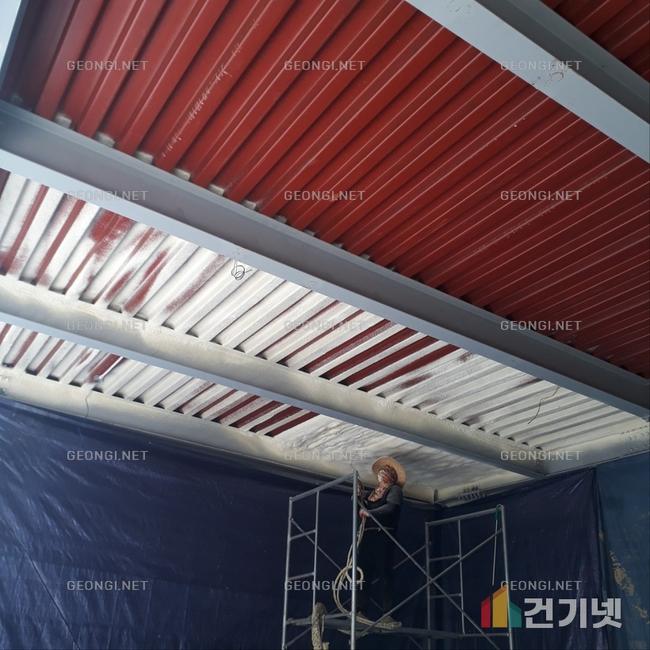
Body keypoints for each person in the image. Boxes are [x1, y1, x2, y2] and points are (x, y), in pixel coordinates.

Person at [356, 456, 406, 628]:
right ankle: (360, 610)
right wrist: (358, 497)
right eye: (381, 471)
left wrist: (371, 513)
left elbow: (391, 507)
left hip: (384, 536)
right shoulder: (372, 493)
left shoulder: (394, 490)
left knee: (385, 574)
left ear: (391, 476)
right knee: (363, 573)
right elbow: (360, 509)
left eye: (386, 471)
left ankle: (387, 613)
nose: (382, 473)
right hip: (367, 537)